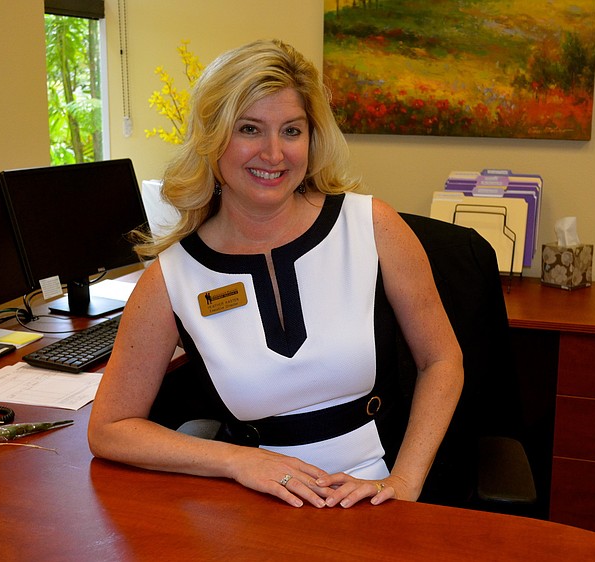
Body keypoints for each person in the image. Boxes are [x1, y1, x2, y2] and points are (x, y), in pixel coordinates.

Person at [87, 39, 463, 509]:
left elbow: (442, 361)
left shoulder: (373, 226)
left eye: (291, 130)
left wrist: (404, 483)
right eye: (249, 129)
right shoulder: (172, 279)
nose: (273, 153)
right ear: (213, 138)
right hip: (258, 506)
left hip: (378, 494)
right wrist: (234, 461)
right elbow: (110, 428)